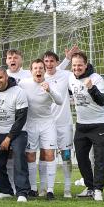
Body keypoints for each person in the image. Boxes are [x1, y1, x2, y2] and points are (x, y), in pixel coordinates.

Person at [69, 52, 104, 202]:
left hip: (99, 124)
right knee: (80, 158)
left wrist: (92, 88)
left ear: (86, 65)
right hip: (81, 125)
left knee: (99, 158)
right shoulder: (70, 78)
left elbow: (102, 101)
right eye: (74, 65)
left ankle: (98, 190)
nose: (77, 68)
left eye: (80, 65)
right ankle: (90, 187)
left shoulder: (96, 78)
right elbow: (67, 92)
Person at [0, 66, 29, 202]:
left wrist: (8, 138)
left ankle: (22, 192)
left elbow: (21, 118)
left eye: (0, 77)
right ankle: (6, 191)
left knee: (19, 156)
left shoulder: (19, 92)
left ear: (6, 78)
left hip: (17, 132)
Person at [20, 59, 64, 199]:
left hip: (47, 123)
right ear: (31, 70)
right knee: (31, 155)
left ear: (44, 70)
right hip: (30, 123)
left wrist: (49, 90)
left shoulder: (51, 84)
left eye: (41, 68)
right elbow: (10, 86)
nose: (38, 70)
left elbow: (60, 101)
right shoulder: (24, 83)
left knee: (49, 154)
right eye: (35, 68)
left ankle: (49, 189)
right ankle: (33, 188)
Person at [43, 50, 76, 198]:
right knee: (45, 156)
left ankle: (67, 189)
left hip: (64, 124)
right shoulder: (39, 76)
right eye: (46, 61)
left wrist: (68, 59)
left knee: (66, 156)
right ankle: (44, 188)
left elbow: (78, 74)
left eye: (52, 61)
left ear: (56, 63)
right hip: (46, 125)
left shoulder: (66, 75)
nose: (49, 64)